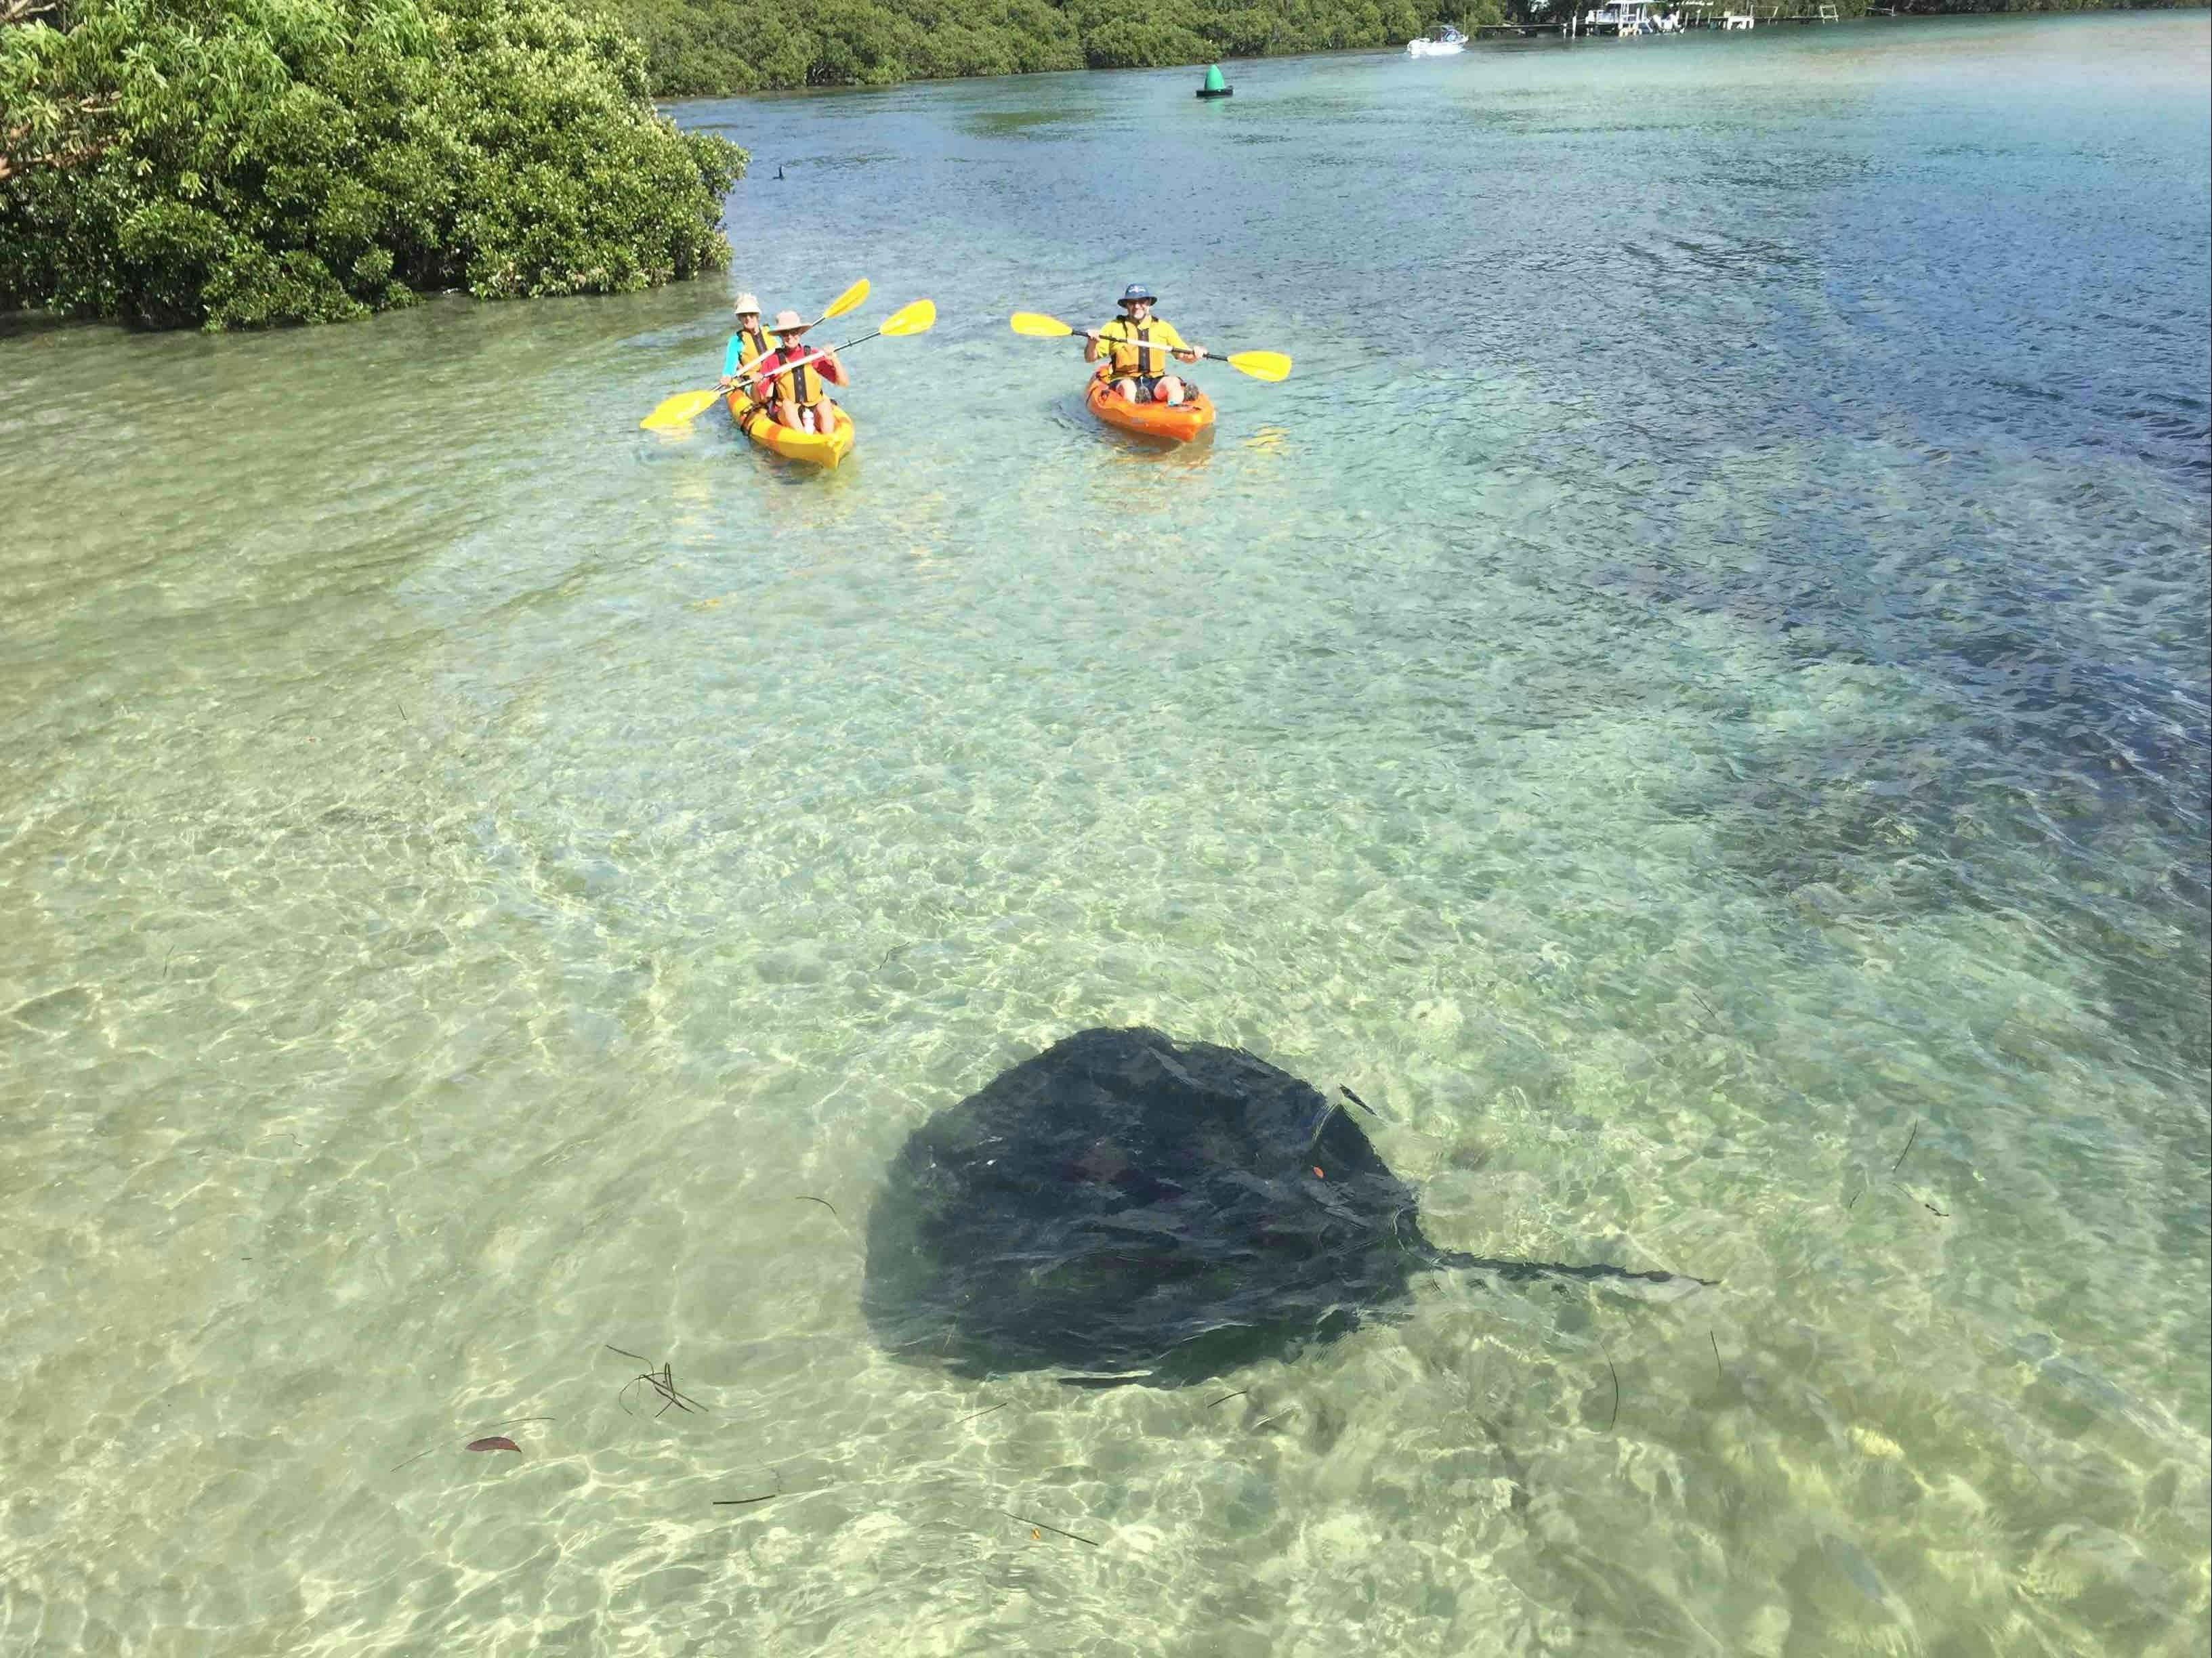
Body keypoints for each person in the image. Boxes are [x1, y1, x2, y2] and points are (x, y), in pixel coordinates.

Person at [1083, 284, 1203, 406]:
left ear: (1149, 302)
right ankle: (1137, 407)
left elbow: (1185, 356)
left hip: (1156, 380)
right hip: (1124, 379)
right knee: (1129, 387)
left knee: (1173, 382)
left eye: (1142, 301)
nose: (1137, 306)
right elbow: (1090, 358)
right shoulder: (1113, 327)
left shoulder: (1163, 328)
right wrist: (1092, 343)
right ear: (1126, 305)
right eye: (1132, 302)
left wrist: (1196, 354)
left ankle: (1174, 406)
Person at [753, 310, 847, 434]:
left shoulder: (813, 355)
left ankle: (828, 440)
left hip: (813, 410)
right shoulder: (772, 360)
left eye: (794, 332)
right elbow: (759, 399)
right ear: (780, 336)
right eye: (785, 333)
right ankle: (804, 440)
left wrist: (834, 359)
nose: (790, 337)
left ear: (800, 333)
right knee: (787, 405)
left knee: (825, 403)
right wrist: (755, 383)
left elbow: (843, 383)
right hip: (787, 413)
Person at [717, 293, 774, 404]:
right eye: (744, 315)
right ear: (739, 318)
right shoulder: (735, 342)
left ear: (757, 315)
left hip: (775, 377)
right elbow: (730, 366)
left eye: (752, 314)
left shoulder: (773, 333)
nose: (748, 318)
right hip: (752, 383)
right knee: (759, 386)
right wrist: (727, 376)